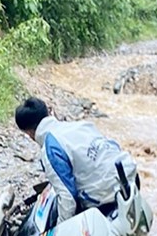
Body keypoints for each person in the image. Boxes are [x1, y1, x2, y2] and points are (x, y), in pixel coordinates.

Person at [15, 96, 137, 224]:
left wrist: (60, 230)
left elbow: (67, 197)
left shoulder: (50, 148)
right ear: (48, 112)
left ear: (29, 132)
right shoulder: (80, 126)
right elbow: (112, 146)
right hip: (130, 179)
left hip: (107, 197)